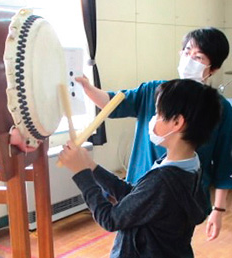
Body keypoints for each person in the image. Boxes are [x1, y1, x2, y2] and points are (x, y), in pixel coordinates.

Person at [75, 27, 232, 241]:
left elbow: (223, 163)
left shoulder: (218, 108)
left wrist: (218, 209)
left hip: (176, 199)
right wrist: (86, 87)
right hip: (139, 188)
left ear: (213, 68)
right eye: (186, 53)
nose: (189, 60)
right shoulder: (158, 92)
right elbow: (113, 103)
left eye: (198, 57)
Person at [59, 79, 222, 258]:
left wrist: (82, 175)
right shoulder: (190, 165)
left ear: (177, 122)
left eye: (158, 114)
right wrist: (91, 167)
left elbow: (111, 219)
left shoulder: (163, 182)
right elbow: (136, 195)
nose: (153, 120)